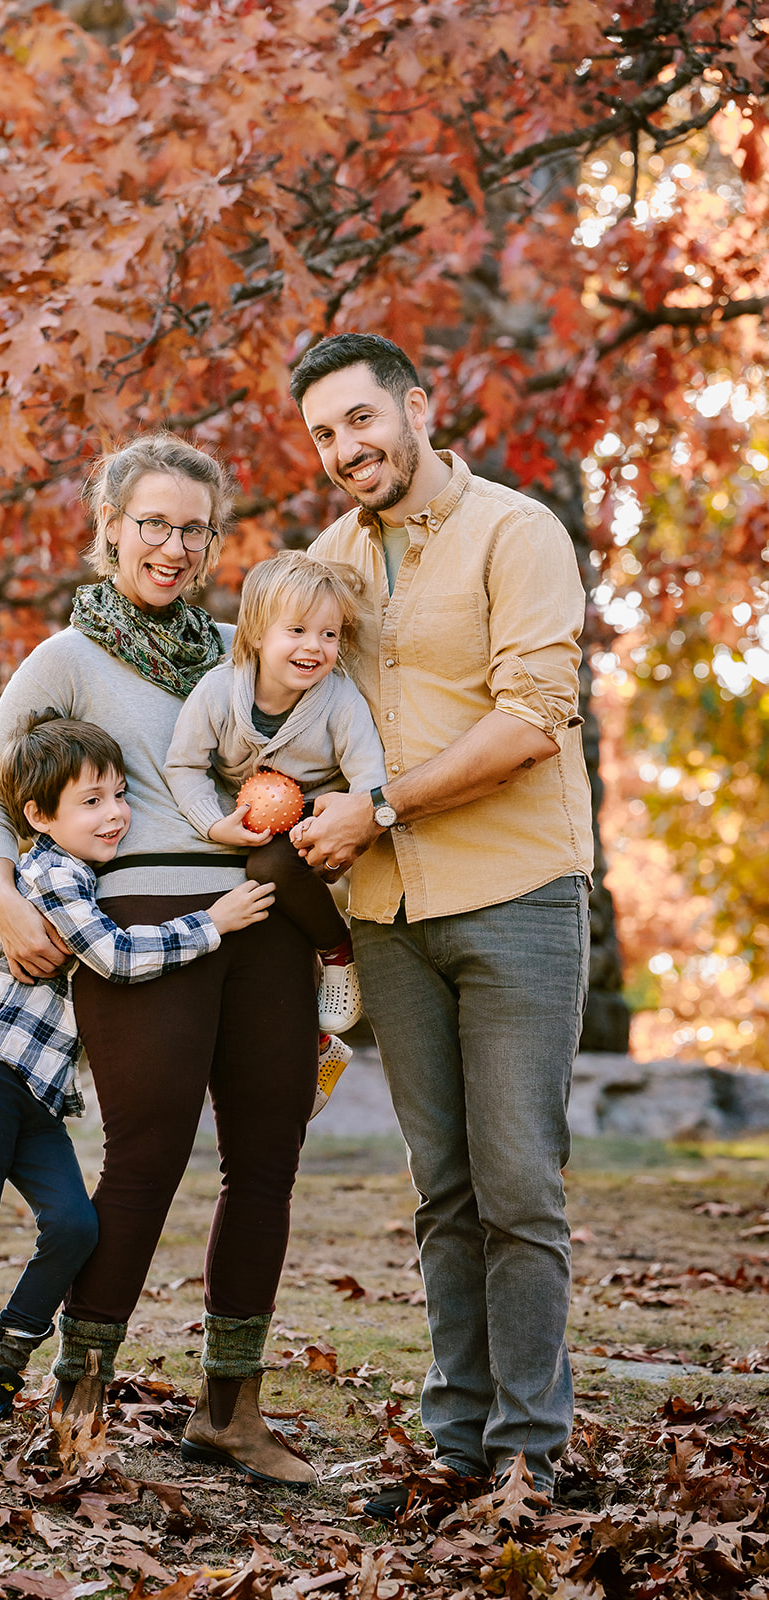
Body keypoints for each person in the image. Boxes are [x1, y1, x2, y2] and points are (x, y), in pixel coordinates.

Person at [0, 432, 319, 1489]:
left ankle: (230, 1412)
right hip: (136, 928)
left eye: (192, 528)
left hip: (261, 918)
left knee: (265, 1165)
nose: (171, 545)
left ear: (214, 541)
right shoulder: (63, 659)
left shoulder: (235, 651)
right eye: (151, 523)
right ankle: (79, 1399)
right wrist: (7, 900)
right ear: (109, 527)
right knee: (146, 1160)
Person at [287, 332, 593, 1507]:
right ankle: (457, 1442)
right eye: (323, 433)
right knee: (442, 1189)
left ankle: (528, 1448)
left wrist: (372, 807)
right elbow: (288, 698)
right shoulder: (328, 559)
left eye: (361, 419)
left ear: (417, 406)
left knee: (517, 1181)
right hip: (386, 912)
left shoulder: (515, 534)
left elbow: (529, 718)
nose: (345, 448)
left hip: (514, 893)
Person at [0, 715, 273, 1470]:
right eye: (92, 801)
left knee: (71, 1227)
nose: (115, 813)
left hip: (35, 1095)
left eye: (120, 795)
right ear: (39, 817)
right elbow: (116, 959)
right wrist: (214, 922)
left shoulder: (90, 876)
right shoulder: (53, 874)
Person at [165, 548, 387, 1113]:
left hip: (314, 821)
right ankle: (315, 1051)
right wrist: (215, 825)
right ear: (257, 633)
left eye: (329, 634)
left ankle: (341, 954)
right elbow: (184, 765)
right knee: (244, 911)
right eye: (297, 630)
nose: (315, 647)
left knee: (269, 868)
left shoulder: (339, 700)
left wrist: (344, 821)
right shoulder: (218, 693)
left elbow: (370, 781)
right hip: (243, 820)